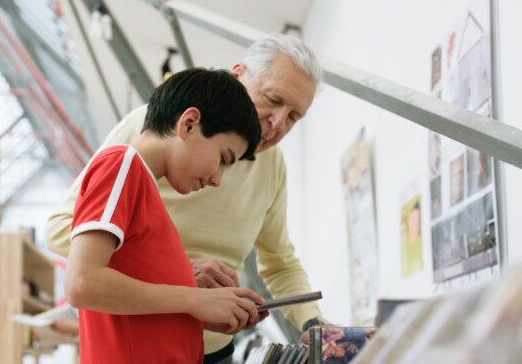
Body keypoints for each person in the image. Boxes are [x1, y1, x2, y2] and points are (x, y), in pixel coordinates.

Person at [49, 34, 326, 363]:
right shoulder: (135, 154)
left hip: (198, 342)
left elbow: (280, 261)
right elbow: (71, 241)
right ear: (238, 75)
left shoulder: (272, 167)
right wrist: (183, 279)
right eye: (273, 98)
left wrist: (313, 324)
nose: (278, 123)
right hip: (143, 337)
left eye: (294, 117)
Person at [64, 68, 268, 363]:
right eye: (223, 159)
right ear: (190, 123)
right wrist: (196, 300)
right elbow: (81, 283)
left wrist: (202, 313)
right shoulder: (123, 165)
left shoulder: (148, 195)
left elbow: (135, 313)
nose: (217, 179)